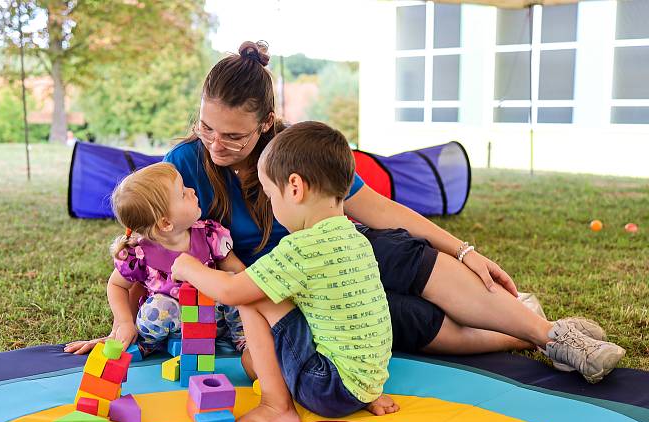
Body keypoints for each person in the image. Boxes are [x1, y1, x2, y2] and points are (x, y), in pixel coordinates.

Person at [163, 40, 626, 383]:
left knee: (398, 252)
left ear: (265, 124)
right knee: (394, 316)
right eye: (206, 127)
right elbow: (151, 238)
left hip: (339, 258)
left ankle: (555, 337)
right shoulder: (184, 164)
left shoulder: (293, 152)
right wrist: (128, 320)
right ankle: (525, 328)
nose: (216, 144)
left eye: (234, 136)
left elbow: (382, 210)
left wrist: (464, 251)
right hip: (290, 289)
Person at [172, 122, 398, 422]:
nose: (272, 206)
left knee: (251, 297)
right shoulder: (356, 237)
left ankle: (276, 407)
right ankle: (362, 393)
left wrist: (188, 268)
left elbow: (232, 290)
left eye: (269, 195)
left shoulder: (301, 248)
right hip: (366, 382)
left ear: (294, 187)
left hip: (327, 387)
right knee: (256, 355)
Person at [63, 162, 246, 356]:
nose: (192, 190)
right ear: (166, 223)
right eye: (183, 193)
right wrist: (124, 323)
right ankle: (144, 345)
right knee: (157, 307)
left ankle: (244, 340)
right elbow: (116, 285)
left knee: (232, 285)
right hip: (171, 323)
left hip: (211, 319)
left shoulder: (210, 235)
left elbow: (239, 273)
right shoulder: (139, 254)